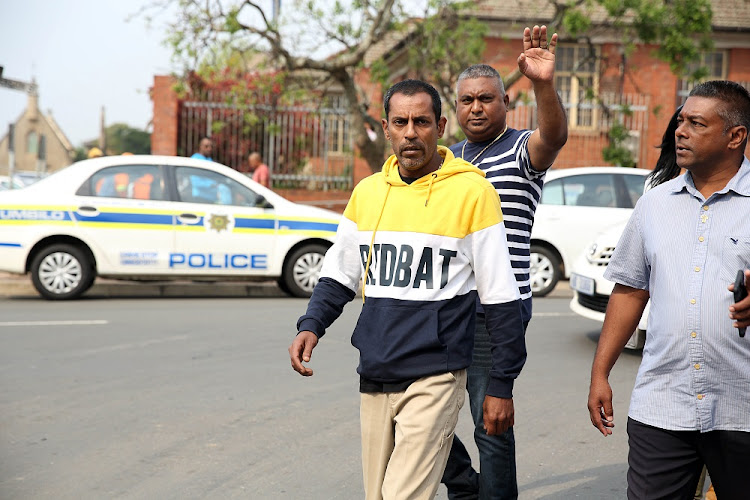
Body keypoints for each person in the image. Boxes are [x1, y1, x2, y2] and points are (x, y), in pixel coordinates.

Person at [288, 79, 526, 500]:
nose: (411, 132)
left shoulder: (473, 192)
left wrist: (501, 385)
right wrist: (312, 325)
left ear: (440, 125)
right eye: (401, 122)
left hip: (437, 373)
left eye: (421, 122)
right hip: (377, 371)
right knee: (377, 495)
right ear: (386, 127)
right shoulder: (368, 193)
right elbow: (339, 273)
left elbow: (501, 299)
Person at [587, 80, 750, 499]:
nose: (680, 131)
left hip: (741, 407)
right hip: (663, 404)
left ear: (736, 136)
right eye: (681, 121)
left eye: (697, 123)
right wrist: (599, 373)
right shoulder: (654, 205)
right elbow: (630, 291)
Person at [442, 25, 568, 500]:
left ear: (505, 105)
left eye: (487, 99)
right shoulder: (446, 161)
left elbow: (553, 135)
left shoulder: (519, 152)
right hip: (443, 307)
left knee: (490, 422)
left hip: (495, 311)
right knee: (412, 411)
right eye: (467, 100)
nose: (476, 107)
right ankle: (465, 487)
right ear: (455, 109)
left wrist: (544, 85)